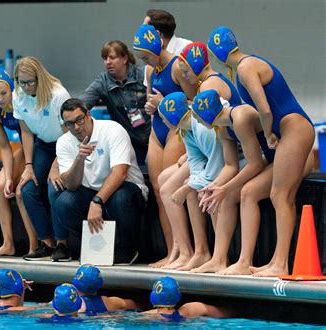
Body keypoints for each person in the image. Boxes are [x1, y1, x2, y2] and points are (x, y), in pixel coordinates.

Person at [207, 26, 315, 277]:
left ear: (217, 54)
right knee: (256, 192)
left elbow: (265, 110)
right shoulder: (245, 66)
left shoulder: (245, 68)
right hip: (290, 128)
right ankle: (271, 261)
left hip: (294, 127)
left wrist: (268, 133)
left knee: (281, 195)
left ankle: (281, 263)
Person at [191, 90, 313, 275]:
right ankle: (219, 259)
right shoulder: (223, 127)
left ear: (207, 115)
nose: (197, 122)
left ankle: (247, 262)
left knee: (248, 192)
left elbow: (255, 164)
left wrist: (225, 188)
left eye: (197, 118)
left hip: (299, 158)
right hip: (274, 159)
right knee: (229, 195)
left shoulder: (239, 118)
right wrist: (215, 186)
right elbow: (231, 166)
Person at [51, 98, 148, 264]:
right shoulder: (64, 142)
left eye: (79, 120)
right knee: (64, 203)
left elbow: (120, 173)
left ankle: (127, 248)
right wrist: (79, 159)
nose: (76, 127)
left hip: (126, 188)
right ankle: (92, 245)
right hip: (90, 192)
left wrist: (97, 202)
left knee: (119, 198)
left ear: (88, 115)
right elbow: (70, 184)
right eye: (69, 123)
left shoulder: (112, 130)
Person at [133, 24, 197, 267]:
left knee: (171, 189)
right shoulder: (150, 70)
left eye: (146, 56)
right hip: (157, 130)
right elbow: (152, 101)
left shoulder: (178, 68)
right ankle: (172, 251)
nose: (144, 61)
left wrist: (161, 104)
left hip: (176, 131)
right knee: (160, 193)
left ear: (156, 48)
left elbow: (195, 102)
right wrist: (152, 108)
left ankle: (185, 250)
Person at [156, 92, 226, 271]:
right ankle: (196, 253)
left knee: (207, 190)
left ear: (172, 117)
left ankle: (219, 256)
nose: (162, 122)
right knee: (189, 185)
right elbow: (195, 162)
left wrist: (188, 187)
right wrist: (191, 184)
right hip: (219, 162)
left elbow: (217, 166)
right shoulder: (185, 129)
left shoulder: (203, 128)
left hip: (237, 161)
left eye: (163, 118)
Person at [12, 56, 70, 261]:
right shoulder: (18, 94)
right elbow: (25, 131)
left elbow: (69, 133)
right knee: (27, 189)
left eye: (30, 82)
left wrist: (57, 164)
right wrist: (28, 165)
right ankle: (47, 243)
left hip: (66, 143)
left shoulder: (58, 95)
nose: (26, 87)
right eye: (21, 82)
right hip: (43, 144)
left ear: (39, 78)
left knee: (53, 187)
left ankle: (63, 244)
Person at [0, 68, 38, 257]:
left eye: (4, 93)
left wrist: (28, 166)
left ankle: (34, 246)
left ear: (12, 88)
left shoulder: (23, 101)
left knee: (20, 192)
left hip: (40, 146)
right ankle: (8, 244)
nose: (0, 99)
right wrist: (8, 177)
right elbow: (5, 148)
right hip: (24, 148)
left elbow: (31, 134)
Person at [80, 40, 150, 165]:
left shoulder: (144, 74)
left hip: (153, 135)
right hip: (129, 141)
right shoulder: (103, 82)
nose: (108, 62)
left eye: (112, 58)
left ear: (124, 58)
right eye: (105, 58)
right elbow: (81, 104)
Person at [142, 276, 235, 319]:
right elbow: (224, 313)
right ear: (177, 295)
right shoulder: (189, 310)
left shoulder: (149, 317)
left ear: (153, 297)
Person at [142, 9, 192, 86]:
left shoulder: (188, 48)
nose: (141, 33)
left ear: (158, 34)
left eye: (144, 29)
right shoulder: (150, 54)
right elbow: (149, 91)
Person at [72, 264, 139, 314]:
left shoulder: (72, 304)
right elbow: (134, 305)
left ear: (75, 282)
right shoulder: (108, 302)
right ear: (100, 285)